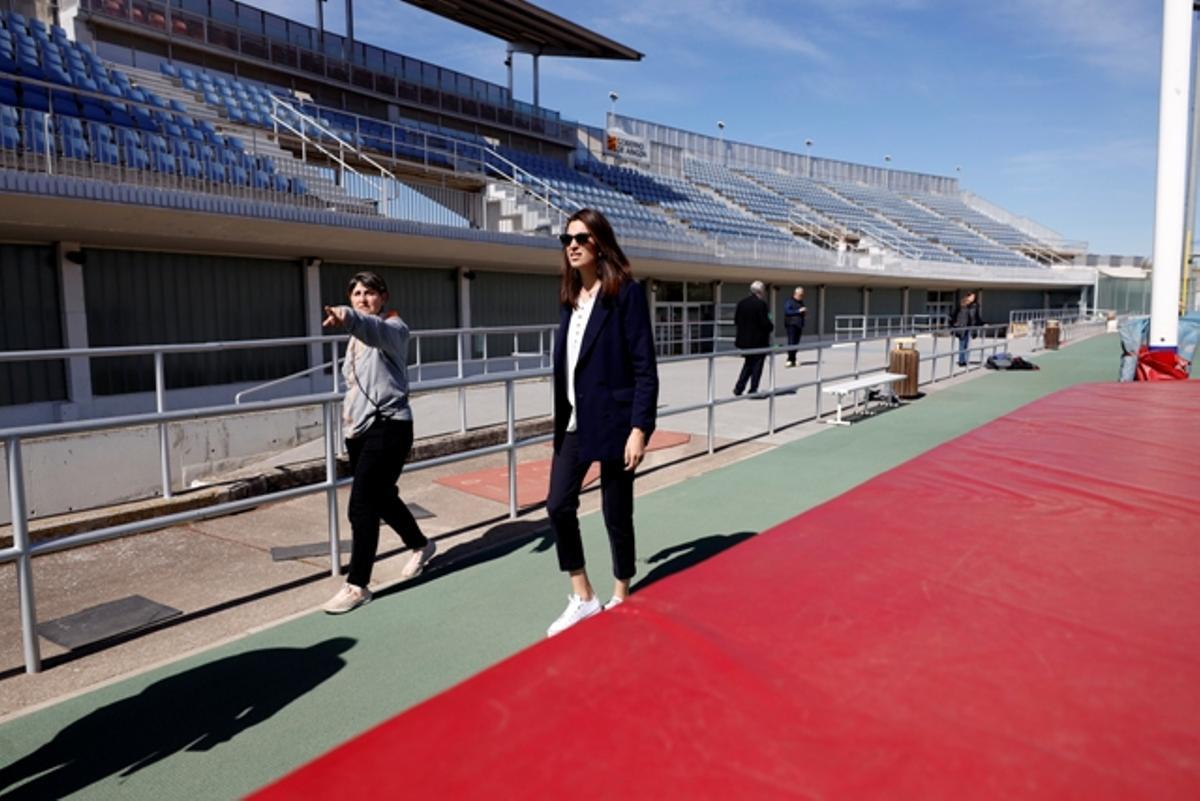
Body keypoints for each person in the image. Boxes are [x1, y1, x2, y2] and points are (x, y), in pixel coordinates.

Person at [545, 208, 659, 637]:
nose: (572, 244)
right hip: (574, 421)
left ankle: (621, 590)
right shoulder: (569, 299)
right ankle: (584, 595)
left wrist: (639, 428)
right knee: (558, 505)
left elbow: (645, 367)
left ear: (601, 244)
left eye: (581, 238)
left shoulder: (625, 294)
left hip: (615, 420)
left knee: (616, 511)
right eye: (567, 239)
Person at [320, 271, 435, 614]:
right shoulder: (354, 340)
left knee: (361, 506)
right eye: (356, 293)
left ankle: (357, 585)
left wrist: (347, 314)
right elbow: (354, 383)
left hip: (391, 427)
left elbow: (375, 331)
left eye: (369, 293)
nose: (362, 298)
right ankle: (421, 544)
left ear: (383, 297)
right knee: (382, 497)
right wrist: (349, 418)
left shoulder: (394, 329)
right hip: (361, 430)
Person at [733, 280, 773, 395]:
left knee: (748, 364)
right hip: (758, 341)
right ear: (760, 291)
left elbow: (736, 321)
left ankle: (739, 388)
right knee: (757, 366)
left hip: (744, 341)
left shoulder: (741, 303)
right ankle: (753, 389)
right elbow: (765, 323)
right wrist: (771, 326)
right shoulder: (761, 304)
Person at [947, 291, 984, 367]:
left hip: (969, 327)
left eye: (974, 297)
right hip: (961, 327)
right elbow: (953, 314)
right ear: (968, 296)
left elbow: (976, 317)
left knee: (966, 344)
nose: (973, 298)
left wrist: (982, 323)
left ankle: (964, 359)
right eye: (972, 297)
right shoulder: (961, 304)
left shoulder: (974, 306)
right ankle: (961, 361)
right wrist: (954, 324)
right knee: (962, 343)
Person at [783, 286, 807, 367]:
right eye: (800, 295)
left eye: (802, 295)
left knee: (796, 343)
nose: (801, 296)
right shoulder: (789, 301)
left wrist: (804, 312)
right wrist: (798, 311)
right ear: (795, 294)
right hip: (791, 324)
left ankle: (793, 358)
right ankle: (790, 359)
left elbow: (801, 313)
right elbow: (787, 311)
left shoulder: (801, 302)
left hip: (799, 324)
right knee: (791, 342)